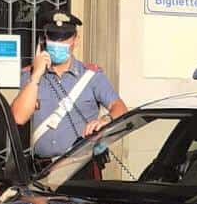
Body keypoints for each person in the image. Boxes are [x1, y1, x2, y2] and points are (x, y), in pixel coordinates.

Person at [11, 11, 128, 165]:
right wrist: (36, 77)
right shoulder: (30, 75)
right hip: (41, 169)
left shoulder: (92, 76)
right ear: (44, 40)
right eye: (53, 38)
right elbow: (18, 118)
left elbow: (120, 108)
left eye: (64, 39)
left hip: (79, 168)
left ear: (75, 40)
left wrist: (106, 120)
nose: (58, 43)